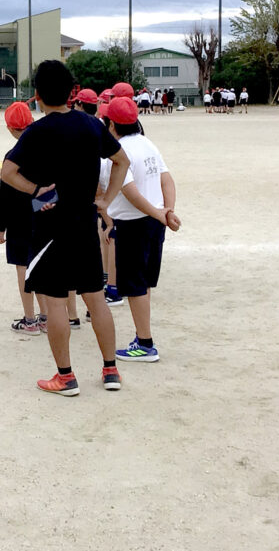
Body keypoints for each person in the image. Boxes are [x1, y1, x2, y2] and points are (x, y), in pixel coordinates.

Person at [0, 60, 132, 396]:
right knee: (96, 299)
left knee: (56, 302)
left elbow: (7, 171)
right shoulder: (91, 125)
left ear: (39, 95)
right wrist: (106, 201)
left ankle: (66, 376)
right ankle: (110, 370)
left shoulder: (36, 132)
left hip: (49, 229)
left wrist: (34, 190)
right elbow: (121, 161)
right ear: (72, 91)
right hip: (85, 223)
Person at [99, 97, 181, 363]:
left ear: (110, 124)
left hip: (134, 224)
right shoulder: (147, 143)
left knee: (135, 286)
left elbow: (129, 190)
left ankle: (145, 343)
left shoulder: (117, 152)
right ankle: (143, 339)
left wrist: (160, 213)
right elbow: (167, 179)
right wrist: (167, 211)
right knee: (143, 284)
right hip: (154, 224)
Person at [0, 102, 54, 335]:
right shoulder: (47, 149)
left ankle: (29, 319)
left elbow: (5, 194)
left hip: (19, 219)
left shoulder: (13, 155)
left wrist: (0, 226)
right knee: (42, 266)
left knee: (23, 267)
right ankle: (47, 317)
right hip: (45, 215)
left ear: (10, 128)